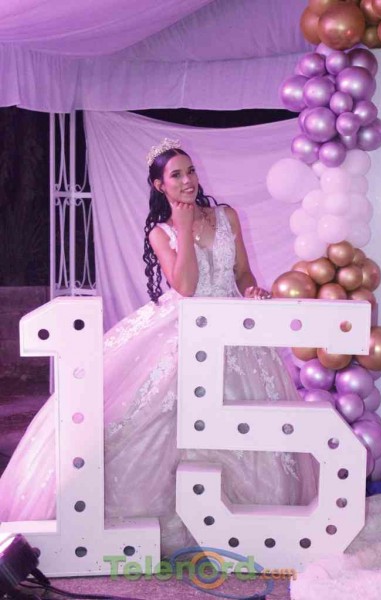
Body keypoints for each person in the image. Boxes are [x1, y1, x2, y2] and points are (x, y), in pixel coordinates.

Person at [0, 139, 317, 554]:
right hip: (188, 326)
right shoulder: (161, 232)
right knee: (154, 411)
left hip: (233, 326)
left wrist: (251, 290)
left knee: (249, 417)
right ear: (159, 185)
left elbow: (242, 271)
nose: (188, 181)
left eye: (191, 171)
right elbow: (185, 286)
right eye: (176, 175)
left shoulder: (226, 216)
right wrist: (182, 228)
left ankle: (245, 522)